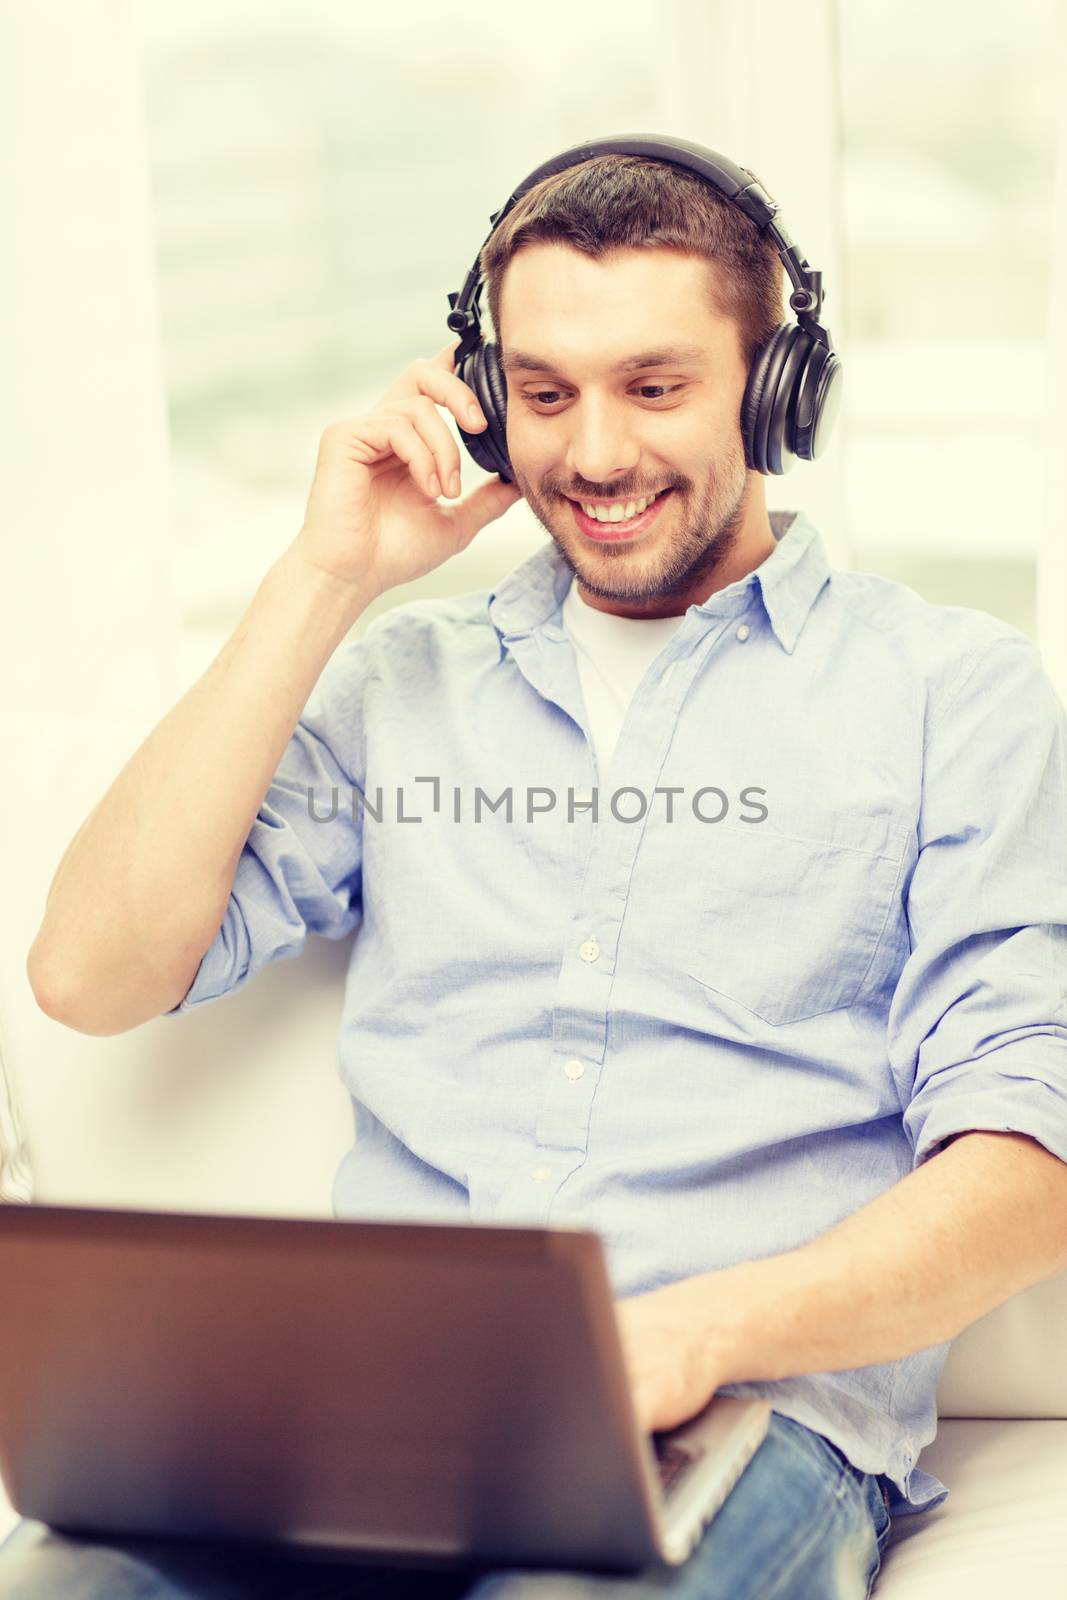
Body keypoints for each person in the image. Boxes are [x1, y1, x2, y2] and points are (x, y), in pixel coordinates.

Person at [10, 149, 1067, 1600]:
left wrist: (699, 1332)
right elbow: (89, 973)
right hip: (364, 1414)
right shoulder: (405, 681)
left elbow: (1029, 1173)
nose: (594, 456)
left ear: (776, 390)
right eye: (546, 393)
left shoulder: (955, 692)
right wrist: (327, 576)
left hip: (745, 1418)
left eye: (656, 386)